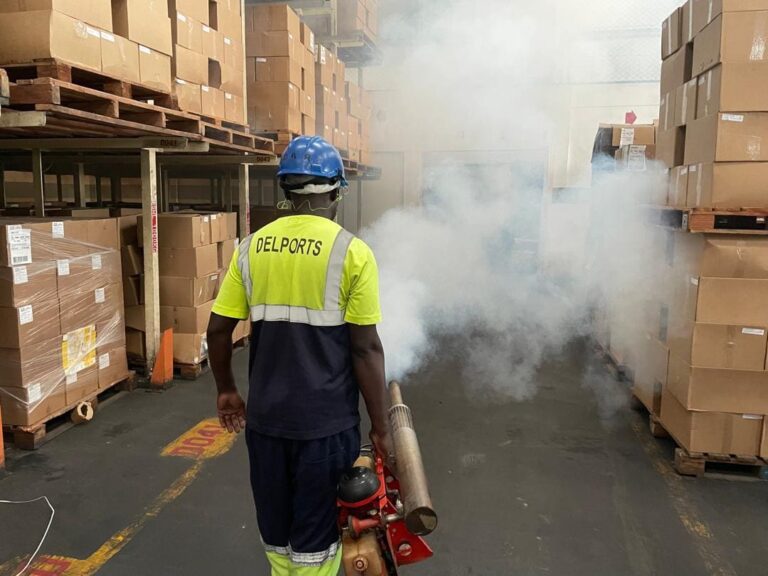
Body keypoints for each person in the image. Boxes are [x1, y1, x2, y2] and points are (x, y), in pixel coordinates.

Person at [207, 136, 393, 576]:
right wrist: (381, 428)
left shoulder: (251, 248)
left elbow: (218, 330)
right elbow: (365, 348)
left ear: (286, 191)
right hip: (324, 428)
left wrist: (228, 391)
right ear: (336, 191)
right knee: (319, 545)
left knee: (277, 535)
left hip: (267, 424)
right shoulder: (352, 253)